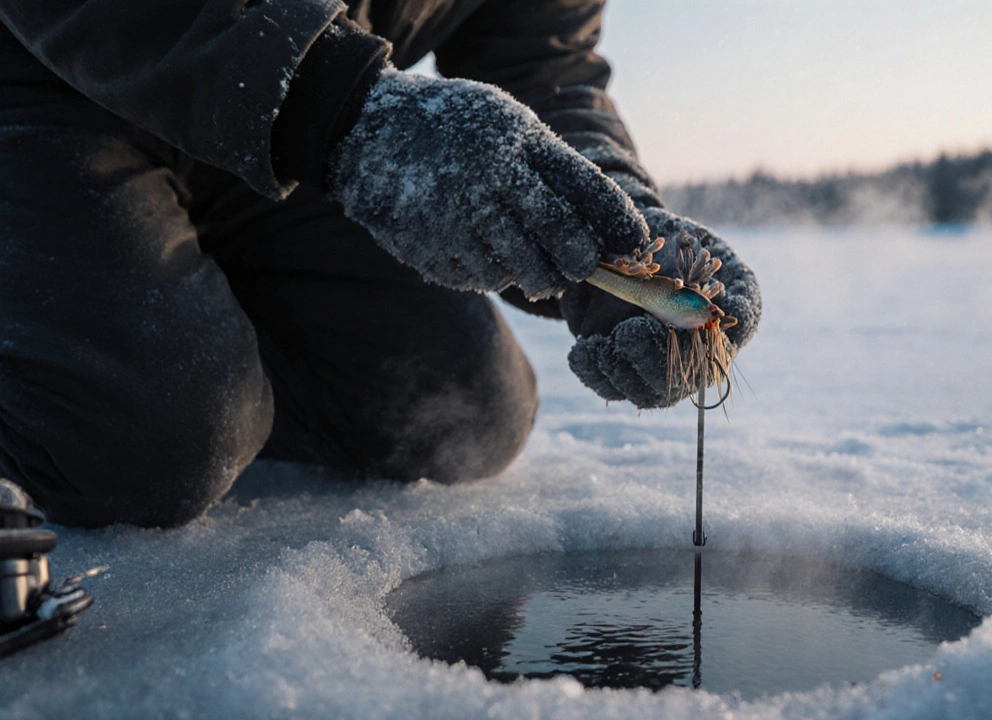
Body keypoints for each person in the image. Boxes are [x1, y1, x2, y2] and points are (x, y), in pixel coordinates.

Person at [0, 0, 761, 529]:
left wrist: (619, 226)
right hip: (51, 92)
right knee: (141, 447)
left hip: (278, 142)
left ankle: (184, 345)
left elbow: (544, 61)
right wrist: (343, 109)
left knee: (465, 411)